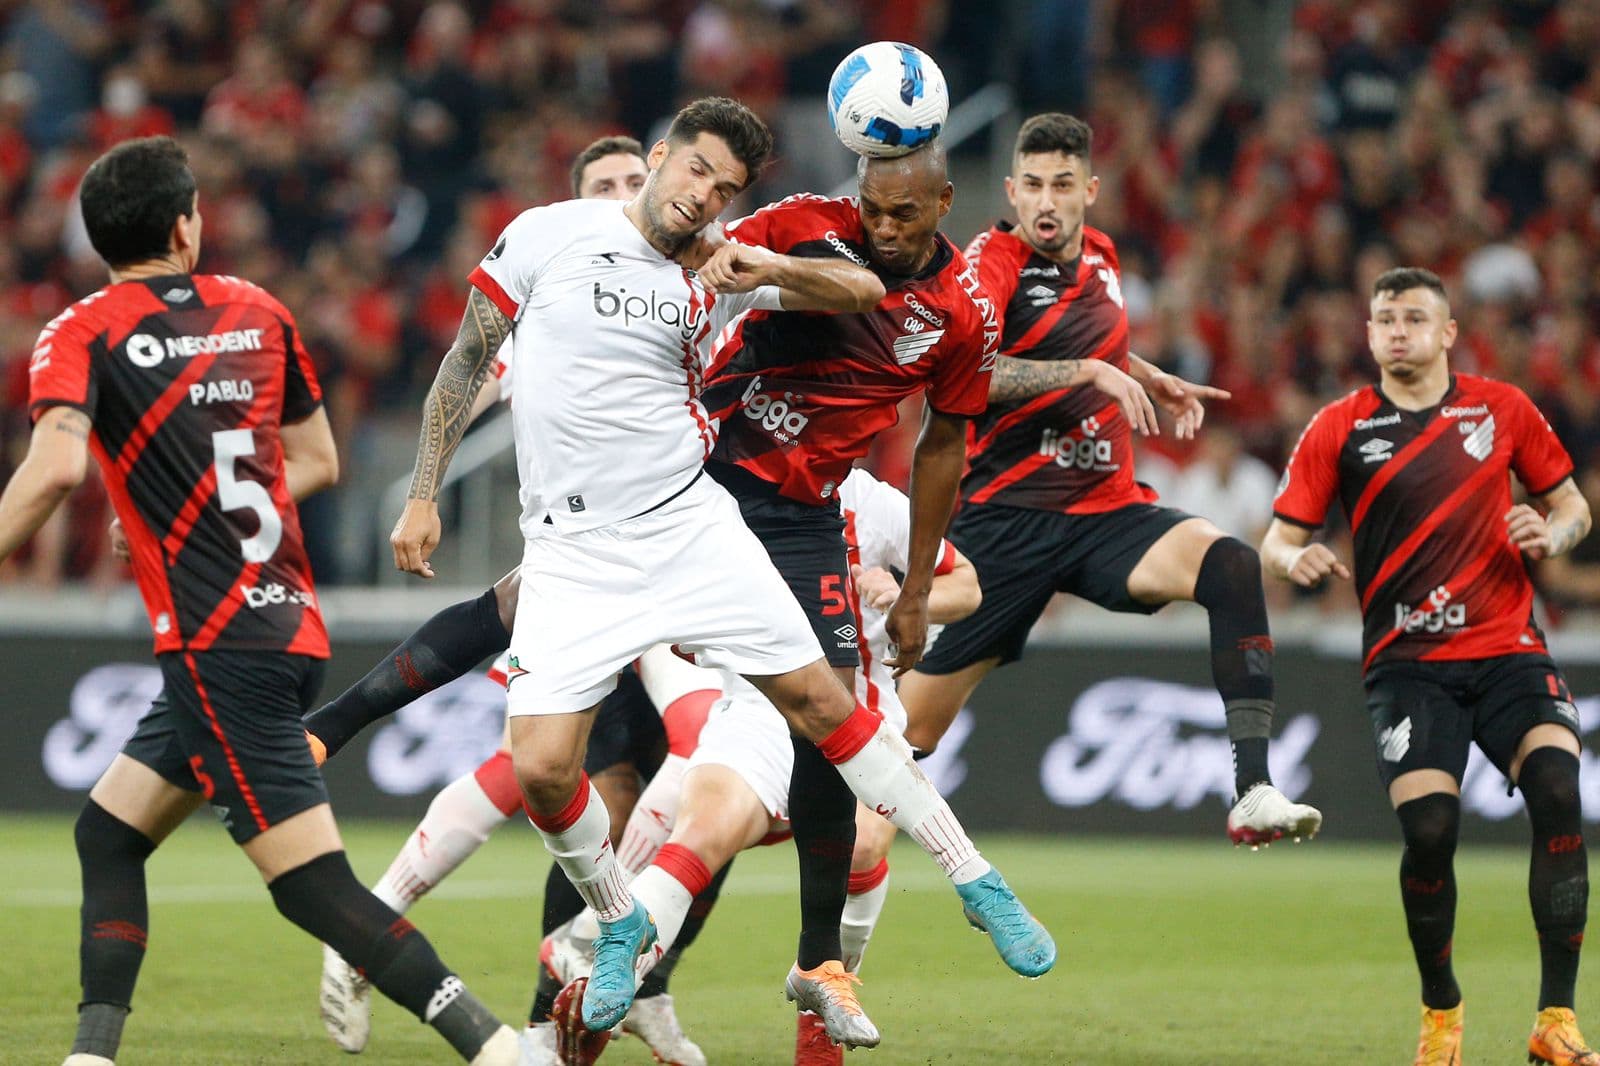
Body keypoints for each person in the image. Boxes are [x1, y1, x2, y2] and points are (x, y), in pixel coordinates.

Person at [389, 96, 1052, 1045]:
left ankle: (970, 882)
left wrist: (758, 264)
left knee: (828, 708)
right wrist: (424, 489)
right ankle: (618, 919)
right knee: (541, 766)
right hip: (582, 544)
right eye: (695, 172)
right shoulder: (543, 237)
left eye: (726, 188)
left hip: (704, 521)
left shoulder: (718, 266)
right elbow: (466, 359)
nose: (704, 197)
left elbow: (861, 297)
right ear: (658, 160)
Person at [0, 136, 525, 1066]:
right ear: (183, 225)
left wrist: (158, 509)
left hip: (216, 645)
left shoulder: (82, 329)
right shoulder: (255, 310)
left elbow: (53, 469)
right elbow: (314, 460)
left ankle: (491, 1046)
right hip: (286, 622)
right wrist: (177, 503)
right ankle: (91, 1054)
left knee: (309, 885)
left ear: (97, 237)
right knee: (108, 833)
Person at [313, 134, 728, 1066]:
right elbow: (473, 373)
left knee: (647, 798)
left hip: (687, 555)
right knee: (589, 777)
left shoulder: (702, 287)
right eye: (608, 189)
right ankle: (558, 998)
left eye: (635, 181)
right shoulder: (560, 298)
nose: (631, 198)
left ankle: (617, 984)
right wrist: (426, 488)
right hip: (596, 563)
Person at [894, 113, 1323, 847]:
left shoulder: (1102, 256)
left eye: (1063, 184)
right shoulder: (989, 263)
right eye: (1032, 185)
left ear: (1089, 190)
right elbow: (963, 376)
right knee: (901, 746)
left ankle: (1252, 788)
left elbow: (1097, 347)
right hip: (1005, 524)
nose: (1047, 202)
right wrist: (1090, 371)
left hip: (1103, 512)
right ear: (1011, 189)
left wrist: (1148, 376)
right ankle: (798, 837)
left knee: (1230, 565)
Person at [1262, 266, 1594, 1066]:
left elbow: (1573, 503)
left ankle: (1556, 1019)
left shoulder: (1503, 408)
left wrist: (1556, 537)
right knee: (1432, 830)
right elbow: (1277, 536)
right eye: (1385, 319)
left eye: (1415, 317)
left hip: (1510, 649)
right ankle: (1441, 1012)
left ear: (1449, 333)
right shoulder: (1339, 427)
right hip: (1408, 666)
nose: (1398, 330)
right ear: (1370, 335)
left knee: (1556, 791)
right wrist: (1293, 558)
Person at [541, 466, 981, 1066]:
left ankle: (817, 1039)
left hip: (856, 715)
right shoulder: (721, 487)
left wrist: (912, 595)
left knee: (863, 844)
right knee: (704, 826)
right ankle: (600, 961)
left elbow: (968, 586)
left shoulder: (872, 504)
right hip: (749, 708)